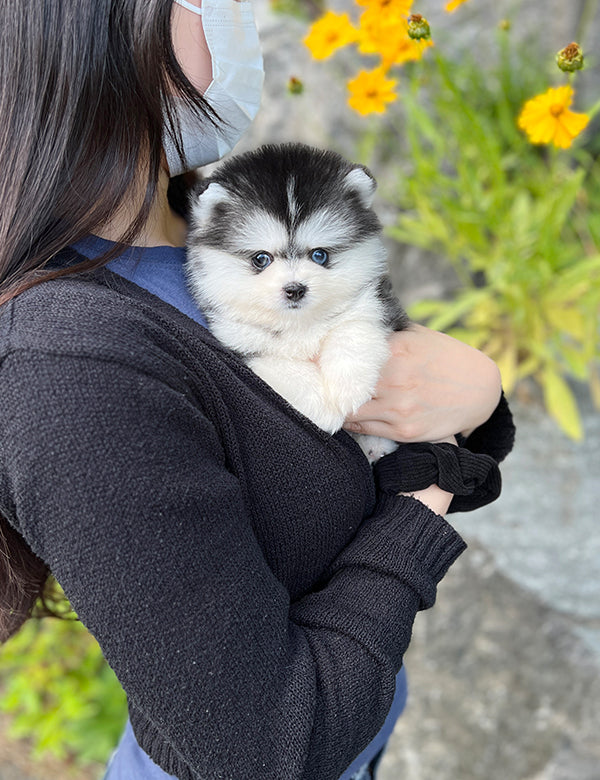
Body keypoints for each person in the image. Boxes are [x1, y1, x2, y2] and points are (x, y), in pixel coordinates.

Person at [0, 1, 515, 779]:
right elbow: (267, 750)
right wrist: (427, 497)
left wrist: (480, 400)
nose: (231, 14)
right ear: (85, 28)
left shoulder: (219, 227)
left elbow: (396, 420)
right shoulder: (72, 366)